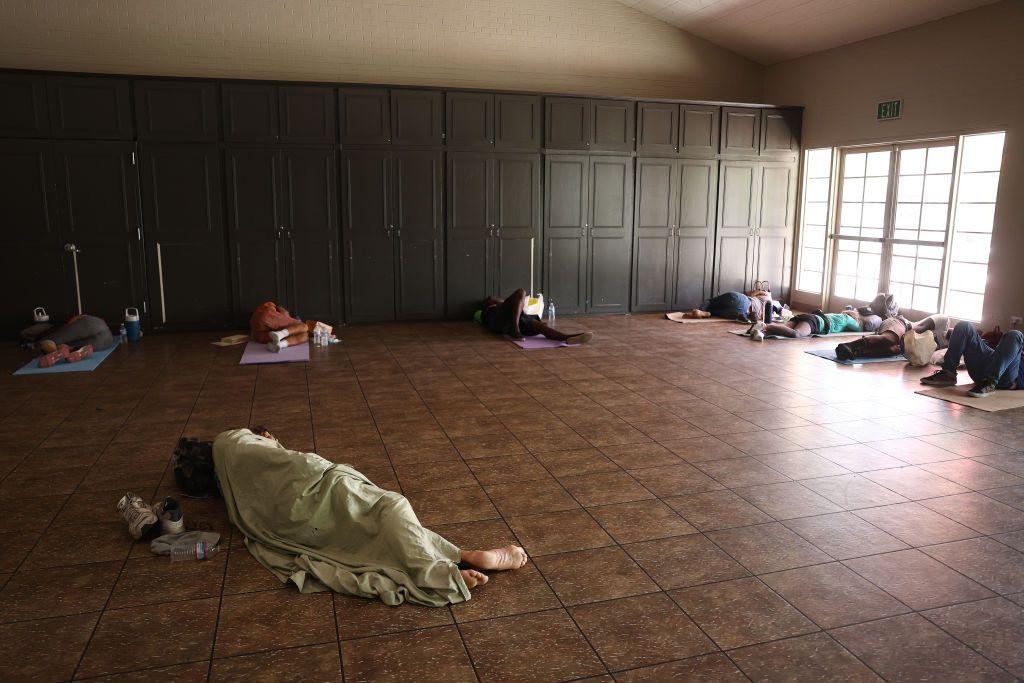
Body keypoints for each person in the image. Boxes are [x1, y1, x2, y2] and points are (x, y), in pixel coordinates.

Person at [174, 427, 528, 606]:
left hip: (303, 513)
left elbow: (259, 504)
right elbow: (291, 462)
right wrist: (273, 443)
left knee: (377, 531)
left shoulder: (234, 482)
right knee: (392, 509)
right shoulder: (234, 440)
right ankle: (441, 571)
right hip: (322, 487)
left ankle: (462, 557)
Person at [920, 321, 1023, 398]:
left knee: (1015, 334)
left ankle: (989, 382)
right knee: (964, 326)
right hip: (990, 361)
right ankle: (948, 373)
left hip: (1005, 376)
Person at [476, 289, 593, 344]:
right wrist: (504, 303)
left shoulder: (512, 307)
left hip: (520, 319)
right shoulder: (489, 309)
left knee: (542, 328)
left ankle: (566, 338)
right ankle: (515, 329)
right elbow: (492, 301)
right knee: (521, 292)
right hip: (500, 322)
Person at [835, 314, 950, 361]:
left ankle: (856, 352)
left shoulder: (948, 347)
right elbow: (919, 327)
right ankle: (849, 345)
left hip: (907, 343)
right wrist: (904, 343)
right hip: (901, 324)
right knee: (890, 340)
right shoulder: (944, 320)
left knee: (892, 349)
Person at [34, 314, 113, 367]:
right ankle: (76, 351)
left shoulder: (61, 330)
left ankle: (58, 352)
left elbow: (75, 319)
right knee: (67, 346)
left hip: (94, 326)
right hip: (106, 341)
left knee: (44, 342)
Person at [751, 308, 872, 341]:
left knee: (782, 330)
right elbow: (859, 329)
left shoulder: (836, 315)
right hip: (815, 322)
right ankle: (766, 326)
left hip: (806, 316)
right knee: (796, 334)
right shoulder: (847, 319)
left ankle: (760, 330)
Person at [674, 289, 781, 324]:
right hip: (739, 313)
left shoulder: (767, 295)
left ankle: (701, 311)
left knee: (710, 302)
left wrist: (761, 292)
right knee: (714, 311)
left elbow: (751, 293)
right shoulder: (767, 313)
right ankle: (706, 313)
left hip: (742, 300)